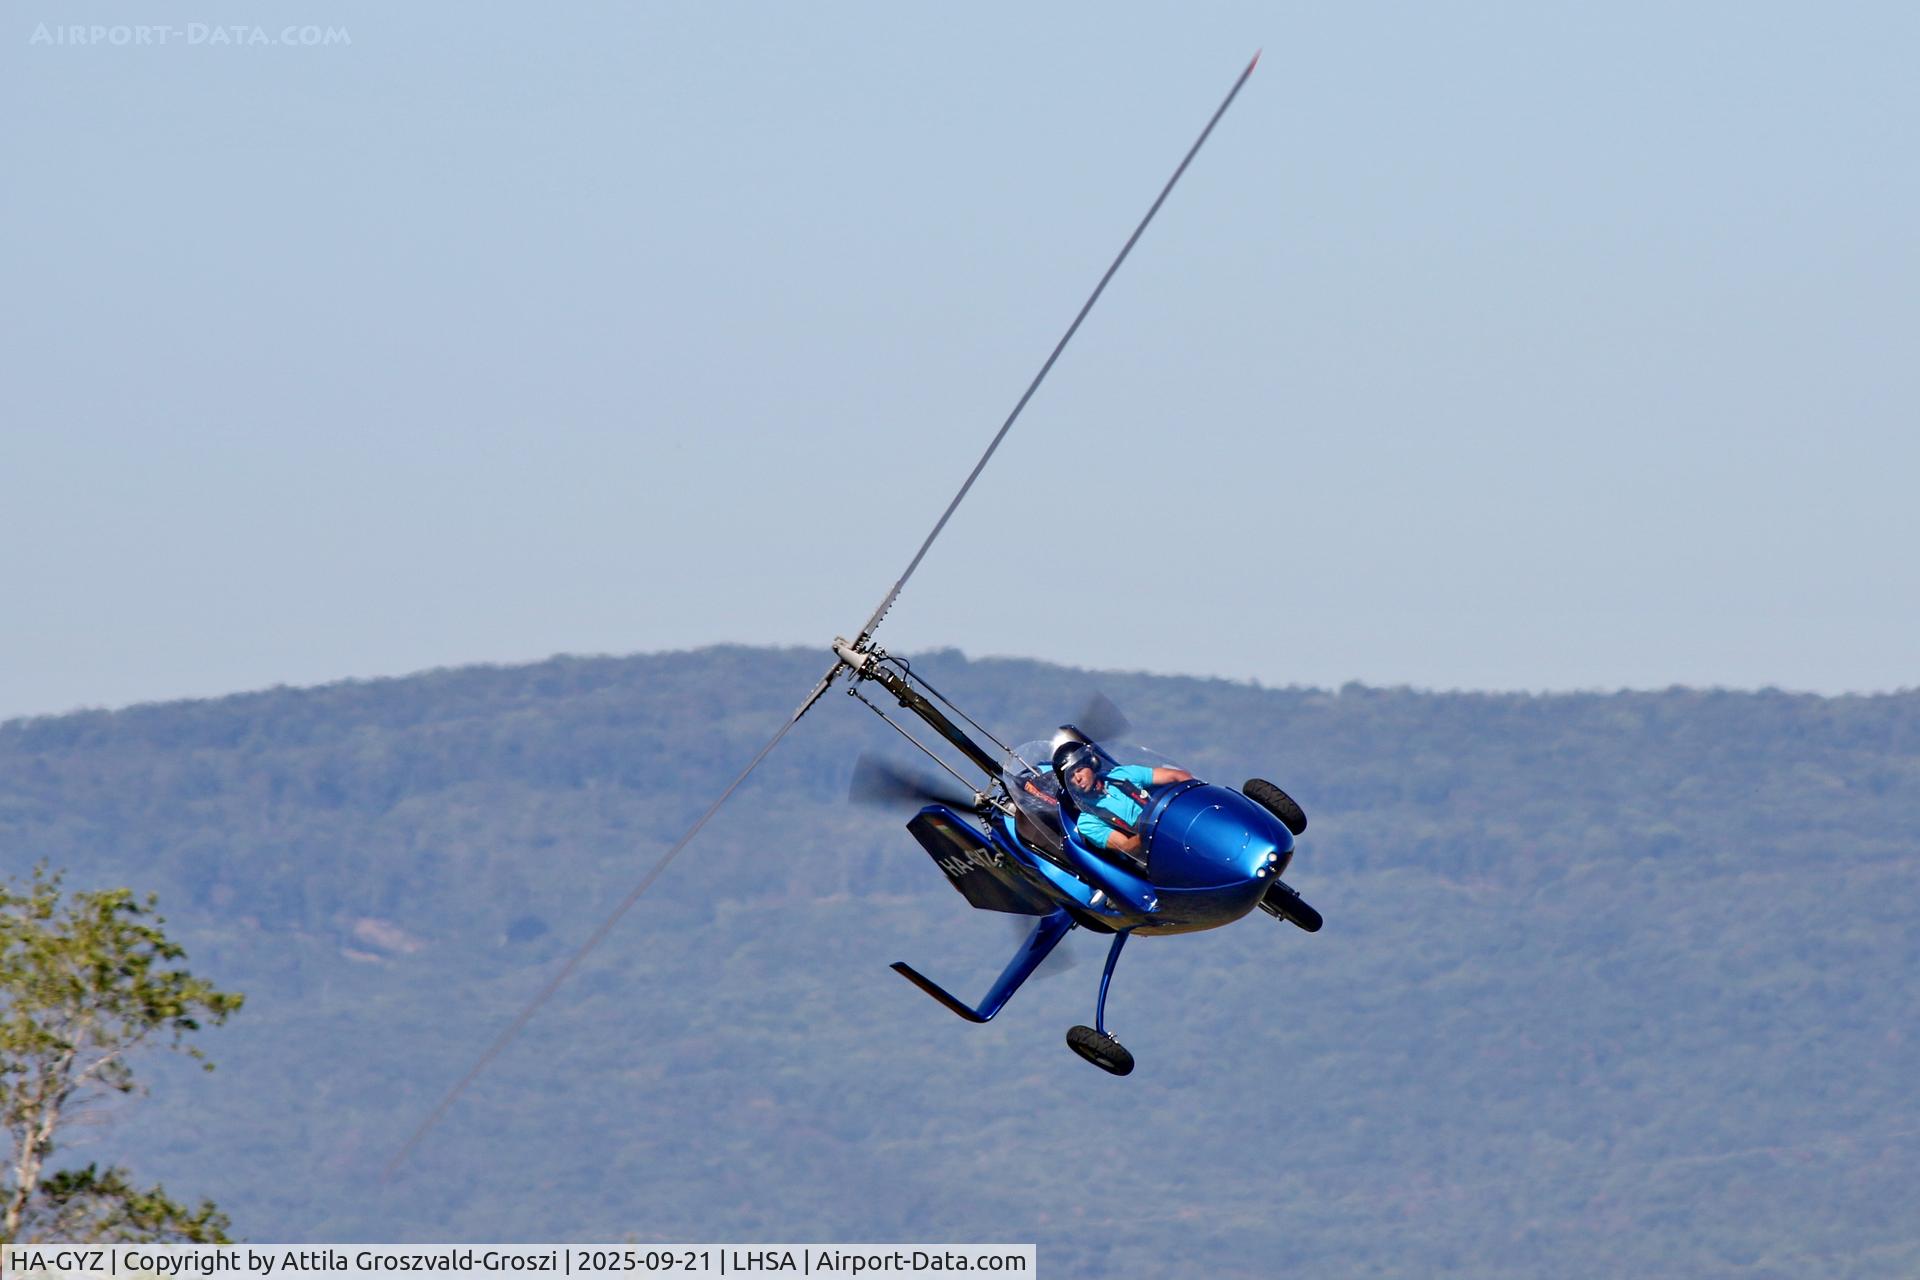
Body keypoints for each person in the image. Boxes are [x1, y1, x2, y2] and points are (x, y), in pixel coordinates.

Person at [1052, 740, 1192, 862]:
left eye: (1080, 769)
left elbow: (1177, 776)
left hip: (1179, 829)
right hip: (1156, 854)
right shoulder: (1088, 820)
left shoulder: (1122, 775)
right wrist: (1152, 829)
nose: (1078, 778)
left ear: (1092, 764)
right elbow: (1125, 847)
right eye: (1071, 776)